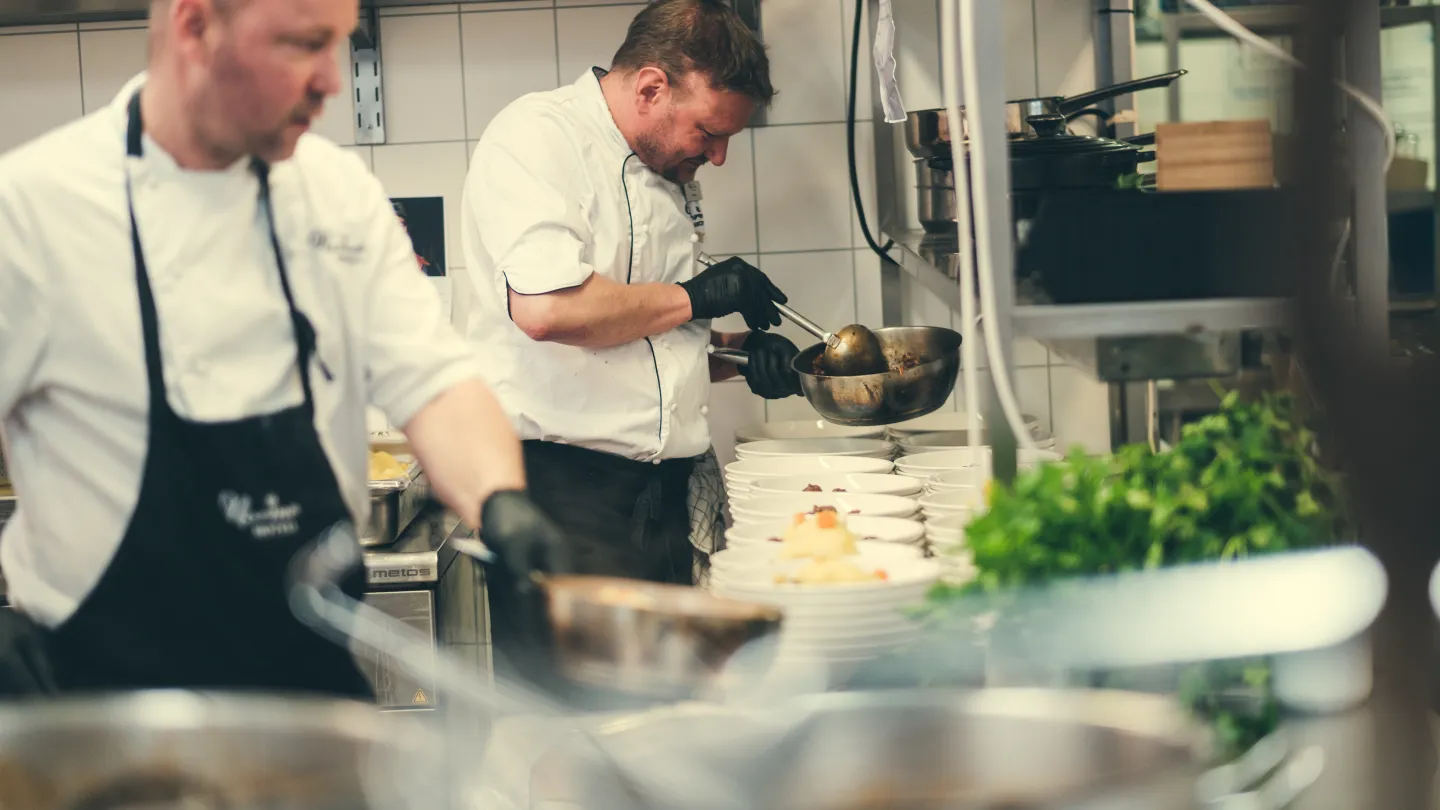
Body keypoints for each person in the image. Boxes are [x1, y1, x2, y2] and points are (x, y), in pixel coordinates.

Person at [0, 0, 566, 698]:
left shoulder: (337, 196)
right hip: (110, 715)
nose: (331, 80)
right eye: (304, 44)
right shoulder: (31, 212)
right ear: (194, 26)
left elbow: (434, 382)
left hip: (311, 693)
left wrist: (499, 501)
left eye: (338, 44)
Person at [458, 0, 799, 689]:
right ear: (651, 87)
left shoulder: (665, 173)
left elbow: (637, 342)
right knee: (576, 749)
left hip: (660, 500)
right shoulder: (537, 138)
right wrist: (702, 296)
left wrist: (738, 358)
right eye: (709, 130)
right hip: (565, 500)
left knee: (662, 734)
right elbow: (549, 310)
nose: (718, 154)